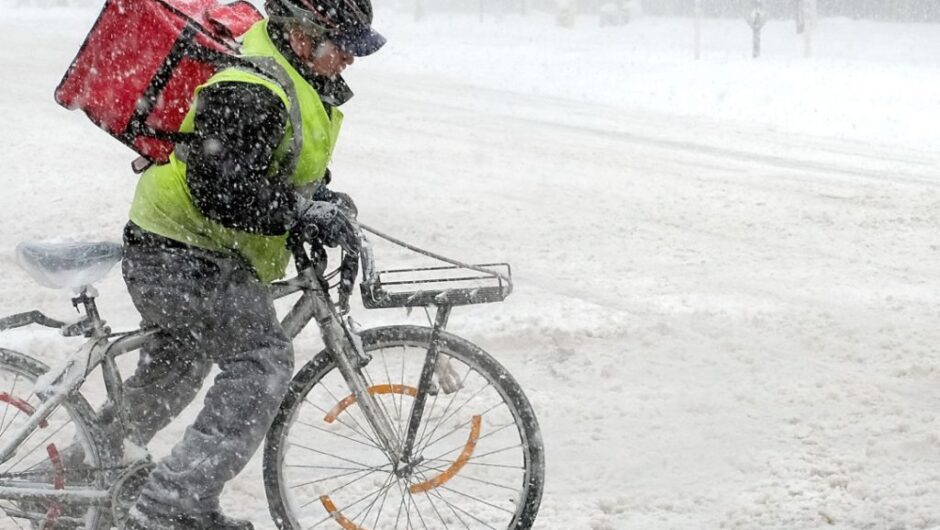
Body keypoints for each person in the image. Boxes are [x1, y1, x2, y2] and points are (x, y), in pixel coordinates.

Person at [118, 0, 385, 528]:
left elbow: (278, 161)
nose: (350, 61)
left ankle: (75, 475)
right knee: (261, 360)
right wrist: (299, 214)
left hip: (183, 248)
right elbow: (222, 189)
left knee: (177, 367)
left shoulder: (292, 77)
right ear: (305, 37)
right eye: (343, 47)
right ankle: (170, 505)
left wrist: (321, 203)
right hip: (180, 250)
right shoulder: (252, 86)